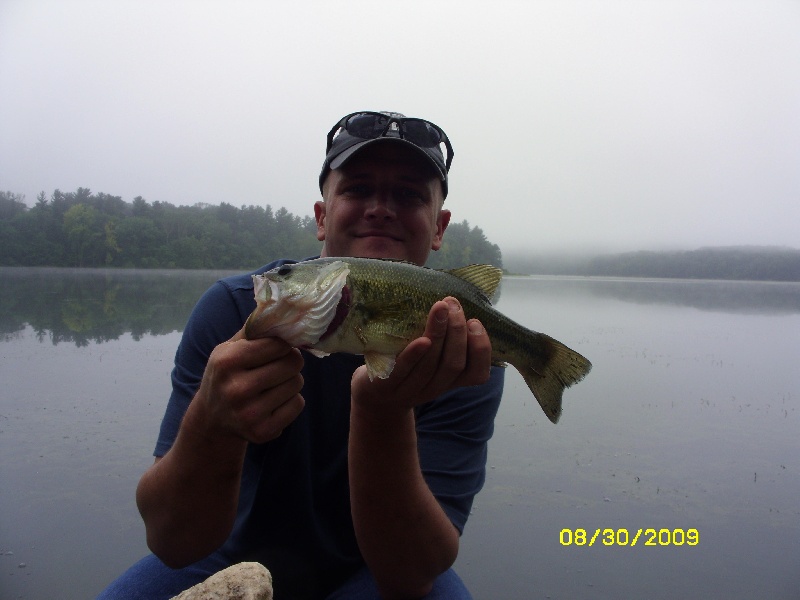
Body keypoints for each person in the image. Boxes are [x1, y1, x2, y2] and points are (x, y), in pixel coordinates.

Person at [98, 111, 504, 600]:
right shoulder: (233, 309)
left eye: (409, 194)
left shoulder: (458, 343)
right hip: (226, 551)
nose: (380, 208)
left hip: (376, 572)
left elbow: (411, 574)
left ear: (439, 228)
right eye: (356, 189)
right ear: (321, 216)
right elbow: (171, 541)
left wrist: (382, 412)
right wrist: (212, 422)